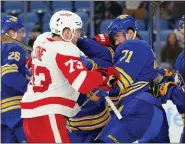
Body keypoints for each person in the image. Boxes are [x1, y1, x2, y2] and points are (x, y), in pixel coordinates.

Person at [20, 10, 120, 143]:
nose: (79, 35)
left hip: (30, 115)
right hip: (48, 114)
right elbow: (82, 83)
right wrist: (103, 78)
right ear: (66, 32)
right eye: (77, 31)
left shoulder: (41, 40)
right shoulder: (66, 49)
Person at [95, 15, 170, 143]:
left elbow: (117, 80)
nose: (116, 42)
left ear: (130, 33)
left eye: (118, 36)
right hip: (156, 116)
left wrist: (95, 79)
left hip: (138, 111)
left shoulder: (133, 45)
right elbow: (165, 79)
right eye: (113, 39)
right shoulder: (143, 50)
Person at [1, 15, 29, 143]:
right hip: (15, 109)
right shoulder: (14, 47)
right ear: (11, 32)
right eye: (20, 31)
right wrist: (29, 88)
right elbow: (8, 74)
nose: (21, 35)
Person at [159, 15, 185, 143]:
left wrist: (168, 90)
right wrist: (166, 79)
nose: (182, 31)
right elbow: (179, 81)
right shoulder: (182, 55)